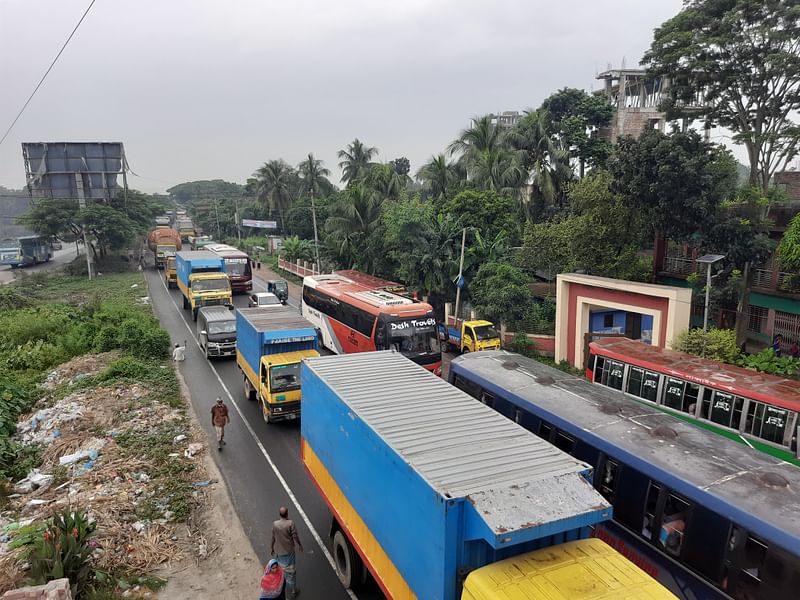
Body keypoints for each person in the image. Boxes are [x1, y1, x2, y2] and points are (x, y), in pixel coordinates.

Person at [271, 506, 303, 599]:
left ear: (279, 514)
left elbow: (273, 538)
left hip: (279, 552)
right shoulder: (290, 523)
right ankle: (293, 590)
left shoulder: (275, 524)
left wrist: (271, 548)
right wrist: (299, 545)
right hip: (289, 552)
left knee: (281, 570)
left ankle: (281, 586)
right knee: (291, 571)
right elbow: (295, 536)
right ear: (287, 514)